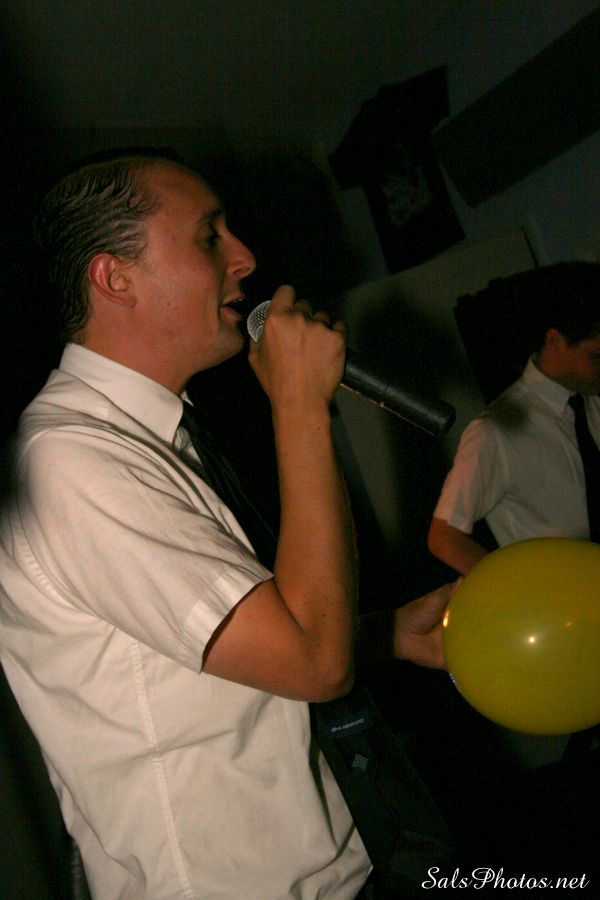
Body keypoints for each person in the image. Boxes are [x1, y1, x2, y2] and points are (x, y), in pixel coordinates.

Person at [0, 149, 452, 899]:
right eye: (209, 236)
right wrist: (300, 406)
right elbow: (314, 664)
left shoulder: (143, 439)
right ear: (116, 278)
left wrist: (385, 633)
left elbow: (238, 656)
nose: (244, 259)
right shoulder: (70, 462)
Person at [428, 262, 600, 575]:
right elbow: (444, 536)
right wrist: (519, 588)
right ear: (555, 341)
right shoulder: (495, 430)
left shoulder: (592, 398)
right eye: (596, 356)